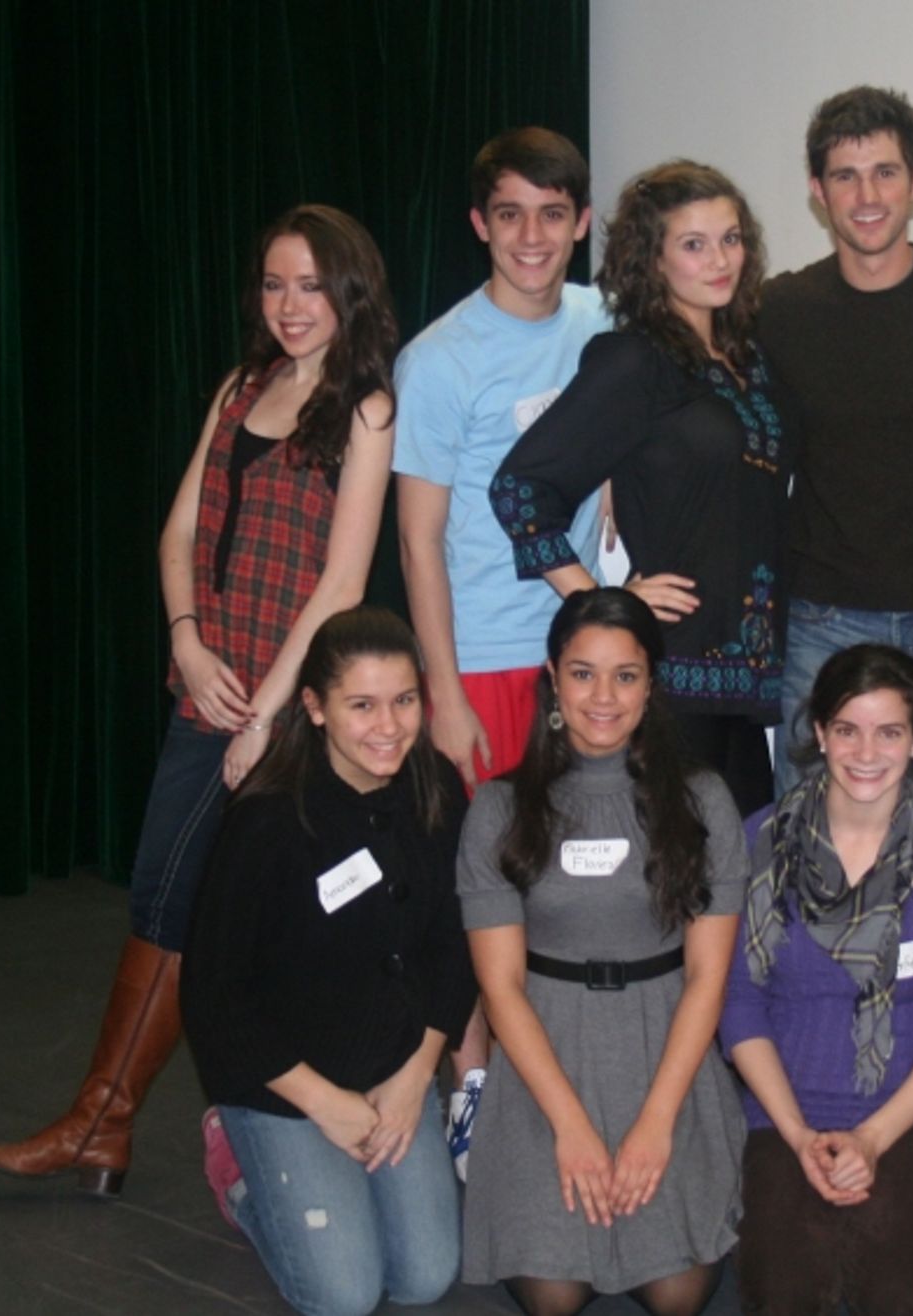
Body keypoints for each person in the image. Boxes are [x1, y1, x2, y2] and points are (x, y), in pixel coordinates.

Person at [0, 205, 396, 1195]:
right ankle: (113, 1122)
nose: (289, 306)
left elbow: (341, 582)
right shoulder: (240, 388)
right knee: (177, 898)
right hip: (210, 683)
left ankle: (102, 1120)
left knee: (182, 898)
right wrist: (187, 643)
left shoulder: (366, 407)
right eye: (273, 284)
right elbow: (176, 537)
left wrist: (264, 714)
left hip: (283, 706)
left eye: (309, 286)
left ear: (350, 292)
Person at [395, 127, 608, 1166]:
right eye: (510, 213)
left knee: (575, 885)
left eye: (553, 213)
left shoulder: (605, 324)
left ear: (580, 223)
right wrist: (441, 689)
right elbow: (417, 537)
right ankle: (471, 1090)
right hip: (483, 658)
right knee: (477, 889)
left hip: (591, 658)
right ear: (481, 224)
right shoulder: (438, 358)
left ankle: (563, 1088)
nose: (532, 235)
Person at [458, 588, 747, 1316]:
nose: (603, 697)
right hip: (544, 1056)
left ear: (652, 685)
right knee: (553, 1296)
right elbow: (501, 990)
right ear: (553, 678)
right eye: (583, 673)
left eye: (626, 675)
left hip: (666, 1050)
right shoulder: (497, 808)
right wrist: (573, 1129)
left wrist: (655, 1126)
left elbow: (709, 976)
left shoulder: (703, 799)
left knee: (677, 1295)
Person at [180, 607, 474, 1316]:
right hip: (284, 1082)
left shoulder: (436, 787)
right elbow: (214, 997)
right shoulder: (268, 819)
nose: (389, 726)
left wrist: (413, 1078)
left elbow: (454, 944)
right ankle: (239, 1171)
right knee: (344, 1294)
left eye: (405, 701)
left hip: (390, 1070)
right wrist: (323, 1103)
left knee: (426, 1275)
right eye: (362, 705)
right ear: (313, 708)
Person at [491, 160, 796, 818]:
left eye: (732, 238)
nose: (720, 259)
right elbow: (520, 489)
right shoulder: (635, 361)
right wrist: (603, 602)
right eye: (694, 244)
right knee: (678, 882)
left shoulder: (752, 362)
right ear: (653, 261)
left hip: (751, 681)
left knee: (742, 879)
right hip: (673, 676)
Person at [757, 85, 913, 828]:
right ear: (817, 192)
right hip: (825, 616)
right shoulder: (780, 311)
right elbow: (714, 407)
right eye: (845, 175)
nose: (867, 195)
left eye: (885, 172)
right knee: (807, 846)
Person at [722, 643, 913, 1315]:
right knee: (785, 1293)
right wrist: (796, 1134)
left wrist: (873, 1137)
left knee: (894, 1293)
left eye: (889, 731)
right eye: (846, 729)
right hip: (782, 1113)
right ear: (818, 733)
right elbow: (739, 1004)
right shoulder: (759, 842)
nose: (865, 752)